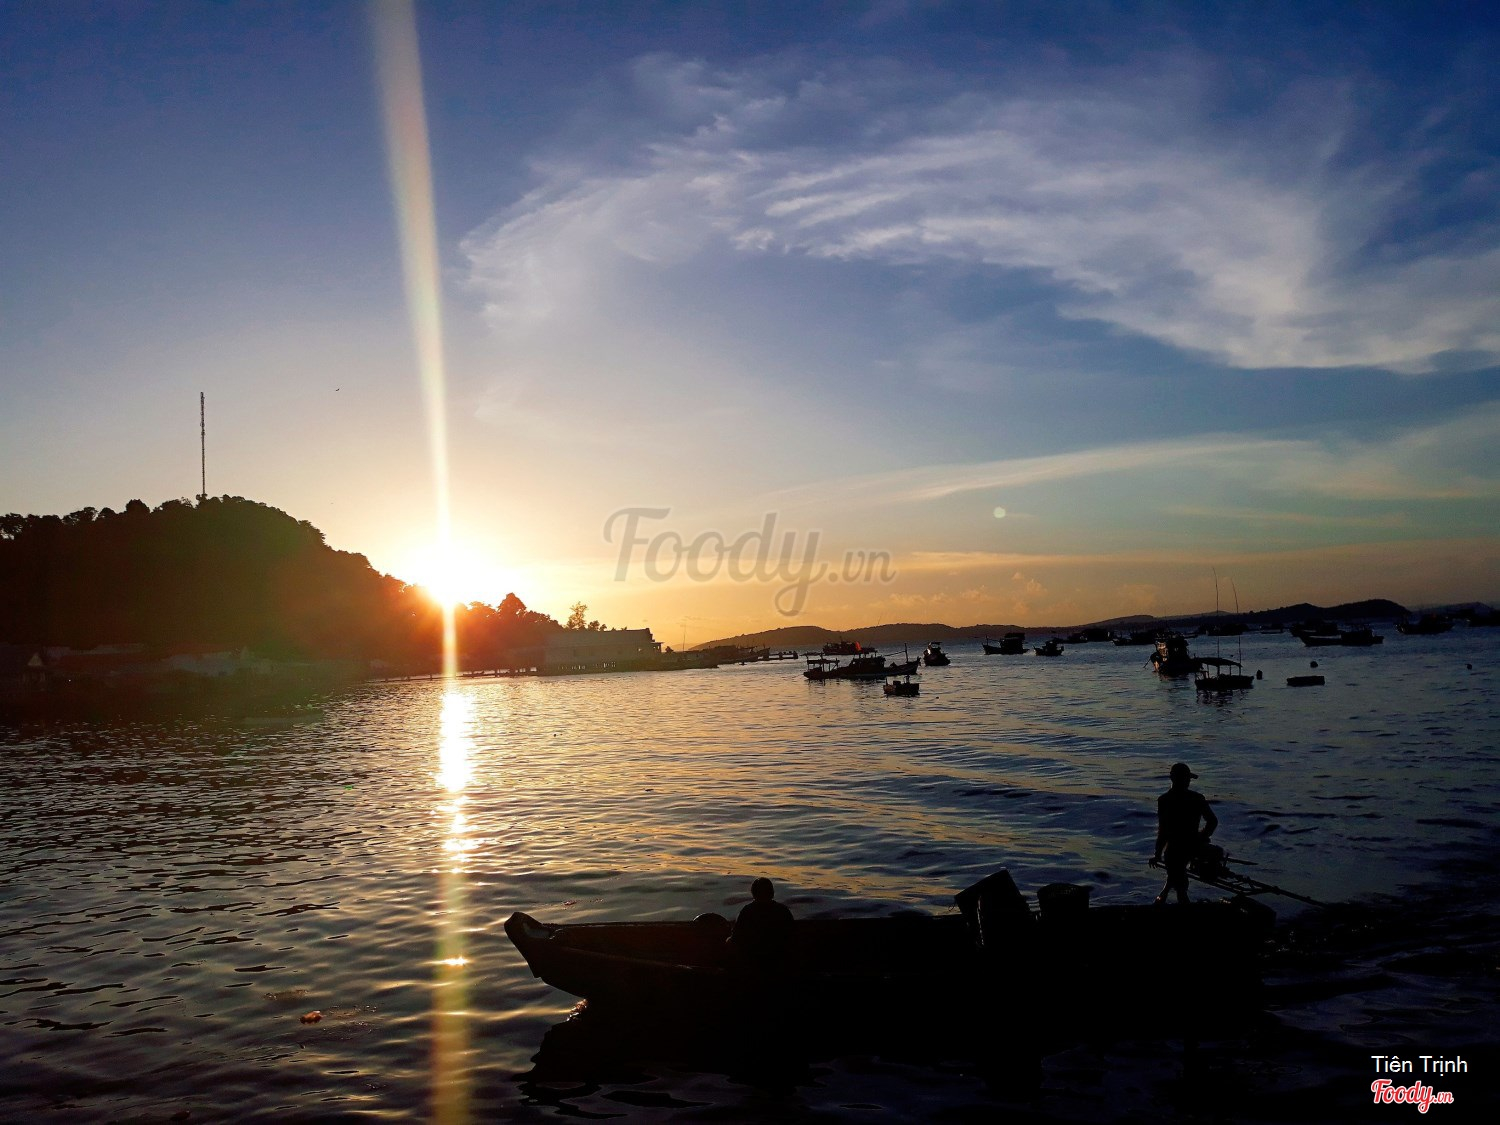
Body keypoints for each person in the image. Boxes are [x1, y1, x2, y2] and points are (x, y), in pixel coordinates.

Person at [1149, 762, 1218, 904]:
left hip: (1175, 850)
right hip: (1193, 847)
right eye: (1187, 779)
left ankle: (1165, 900)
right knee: (1178, 880)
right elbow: (1212, 821)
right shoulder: (1197, 798)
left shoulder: (1164, 800)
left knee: (1176, 877)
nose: (1188, 782)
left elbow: (1163, 831)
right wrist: (1202, 837)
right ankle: (1167, 899)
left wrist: (1157, 854)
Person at [727, 877, 794, 970]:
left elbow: (736, 937)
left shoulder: (747, 911)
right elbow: (792, 934)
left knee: (729, 942)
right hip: (779, 958)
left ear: (753, 893)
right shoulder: (783, 910)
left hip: (752, 960)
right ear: (772, 893)